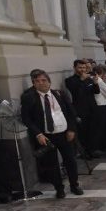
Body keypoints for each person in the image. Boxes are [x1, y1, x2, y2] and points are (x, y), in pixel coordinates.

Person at [21, 70, 83, 199]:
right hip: (46, 136)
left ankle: (74, 185)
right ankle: (59, 188)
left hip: (64, 133)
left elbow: (71, 113)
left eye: (43, 80)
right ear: (33, 83)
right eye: (37, 81)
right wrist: (38, 134)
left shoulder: (59, 94)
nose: (41, 83)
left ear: (49, 82)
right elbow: (26, 118)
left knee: (70, 160)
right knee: (52, 164)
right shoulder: (29, 98)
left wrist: (71, 129)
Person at [65, 59, 100, 157]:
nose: (83, 70)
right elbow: (77, 93)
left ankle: (93, 150)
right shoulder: (70, 80)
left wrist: (96, 83)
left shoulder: (89, 79)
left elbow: (96, 92)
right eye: (80, 67)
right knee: (83, 132)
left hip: (92, 109)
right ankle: (85, 152)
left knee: (93, 130)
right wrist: (81, 80)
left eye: (84, 67)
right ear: (75, 68)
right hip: (80, 110)